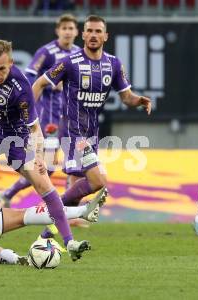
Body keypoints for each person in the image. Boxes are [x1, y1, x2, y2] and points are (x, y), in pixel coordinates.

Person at [0, 34, 90, 260]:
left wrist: (38, 156)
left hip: (16, 136)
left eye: (1, 68)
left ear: (11, 63)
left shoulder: (21, 89)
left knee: (43, 182)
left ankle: (70, 242)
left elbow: (34, 129)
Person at [32, 15, 151, 239]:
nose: (94, 35)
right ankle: (50, 213)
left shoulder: (113, 64)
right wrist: (28, 114)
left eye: (98, 31)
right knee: (98, 181)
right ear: (83, 34)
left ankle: (47, 234)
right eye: (90, 31)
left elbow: (126, 97)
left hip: (91, 131)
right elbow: (39, 83)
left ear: (106, 36)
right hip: (73, 131)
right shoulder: (69, 62)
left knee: (76, 190)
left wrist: (139, 101)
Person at [0, 14, 81, 209]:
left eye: (71, 28)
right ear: (58, 30)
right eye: (64, 28)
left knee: (74, 162)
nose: (68, 31)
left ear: (76, 31)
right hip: (48, 116)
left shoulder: (78, 53)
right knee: (48, 167)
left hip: (70, 116)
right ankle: (9, 194)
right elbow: (29, 77)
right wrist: (53, 84)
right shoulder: (46, 52)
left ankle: (70, 207)